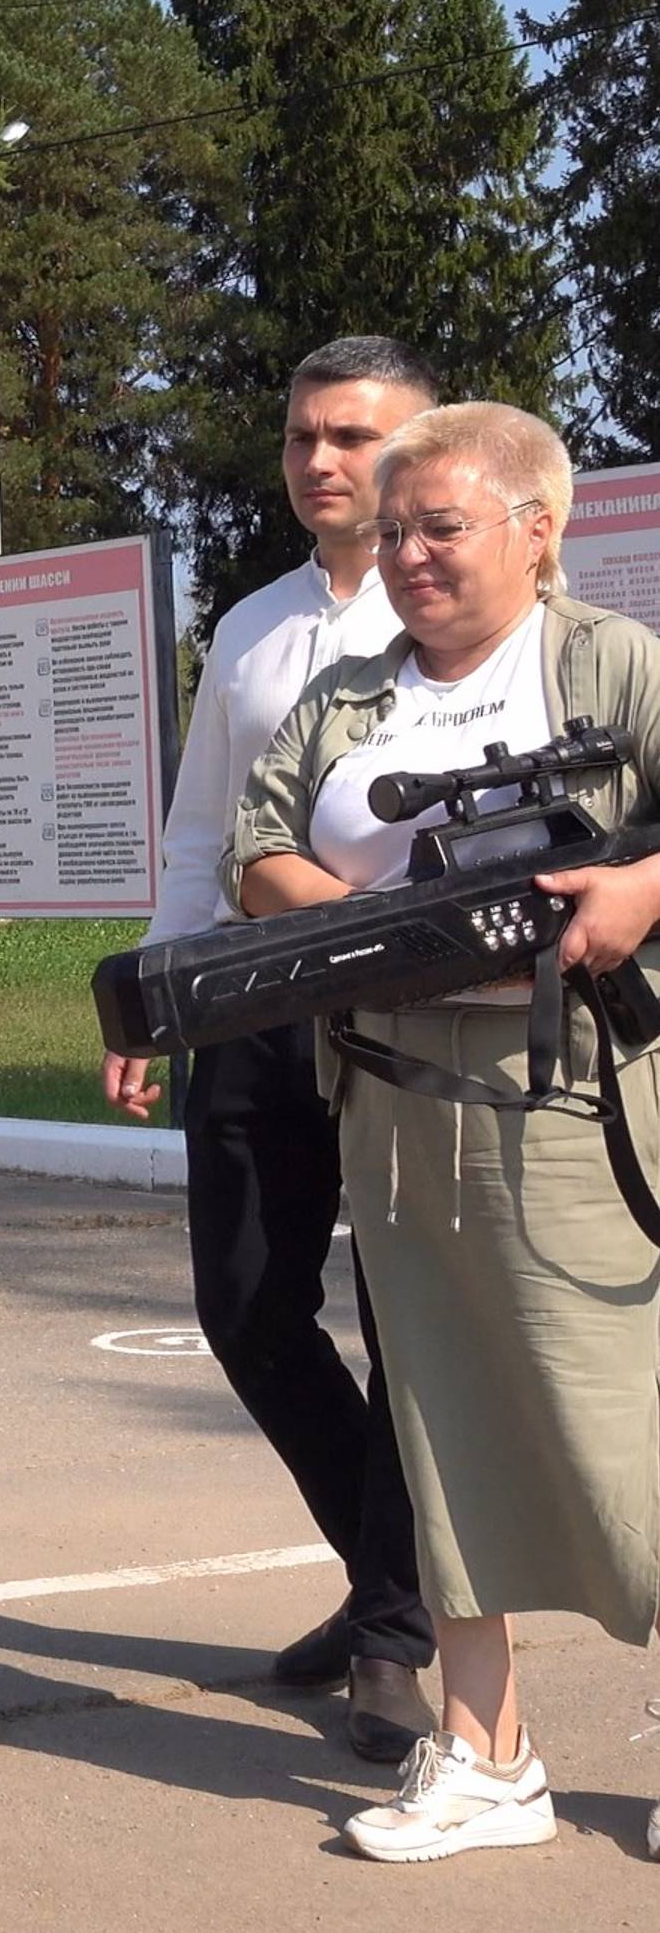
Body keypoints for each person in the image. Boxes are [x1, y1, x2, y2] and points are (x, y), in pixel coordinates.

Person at [224, 402, 660, 1863]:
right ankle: (484, 1757)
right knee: (438, 1432)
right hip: (394, 1106)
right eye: (393, 530)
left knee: (617, 1428)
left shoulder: (604, 664)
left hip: (574, 1103)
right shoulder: (350, 696)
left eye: (439, 527)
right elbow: (254, 846)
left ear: (539, 531)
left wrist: (637, 895)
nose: (404, 553)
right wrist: (348, 922)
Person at [103, 337, 439, 1760]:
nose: (318, 460)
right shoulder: (247, 629)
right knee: (246, 1307)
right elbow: (199, 830)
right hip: (253, 1006)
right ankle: (386, 1578)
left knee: (415, 1327)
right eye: (302, 435)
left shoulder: (472, 621)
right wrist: (159, 998)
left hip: (420, 1018)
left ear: (421, 445)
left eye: (350, 436)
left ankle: (392, 1631)